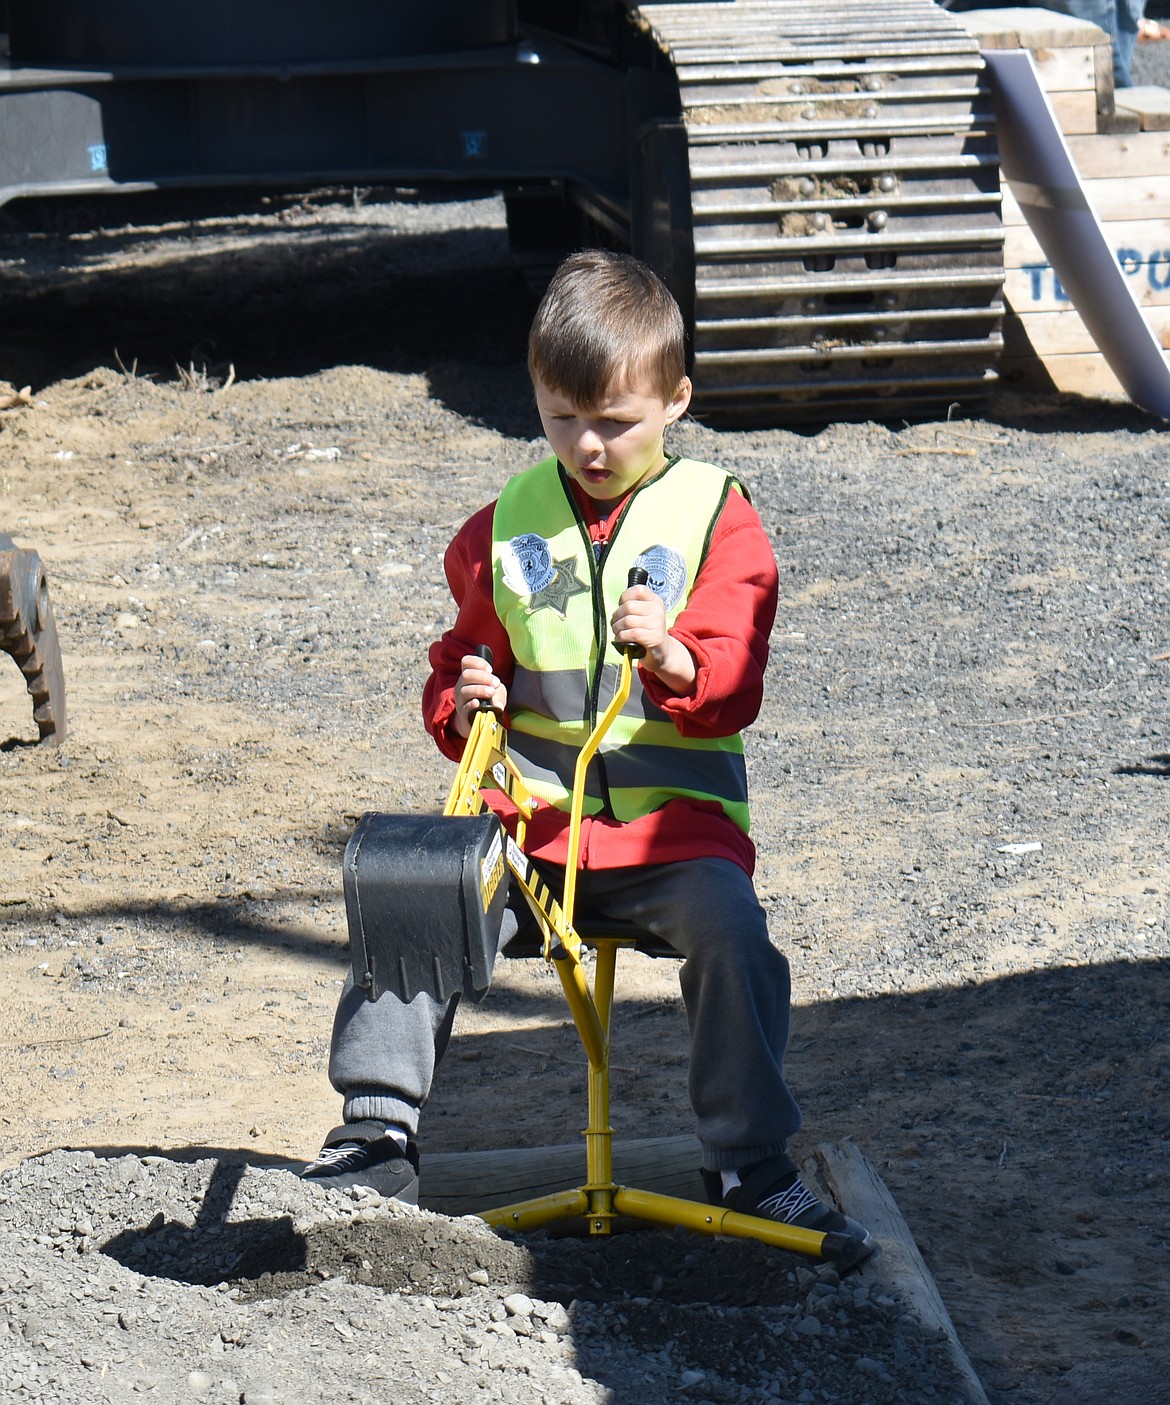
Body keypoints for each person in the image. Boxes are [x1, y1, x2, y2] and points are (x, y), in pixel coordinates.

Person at [301, 249, 873, 1257]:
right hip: (528, 835)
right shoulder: (503, 527)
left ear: (676, 400)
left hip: (673, 840)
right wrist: (463, 697)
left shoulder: (717, 520)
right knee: (411, 888)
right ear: (537, 397)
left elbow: (734, 675)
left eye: (617, 420)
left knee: (735, 938)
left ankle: (749, 1166)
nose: (590, 444)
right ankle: (376, 1131)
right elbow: (459, 659)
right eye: (564, 418)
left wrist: (676, 656)